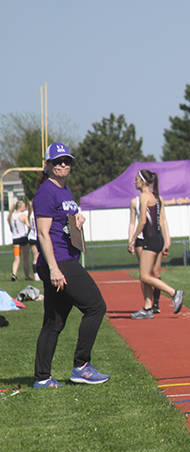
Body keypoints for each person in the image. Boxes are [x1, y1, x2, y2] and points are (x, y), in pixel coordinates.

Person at [32, 143, 109, 388]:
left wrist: (77, 221)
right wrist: (54, 269)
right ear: (48, 165)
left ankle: (42, 378)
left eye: (67, 161)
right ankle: (81, 366)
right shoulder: (46, 192)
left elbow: (62, 226)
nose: (63, 165)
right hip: (59, 262)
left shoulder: (65, 191)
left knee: (54, 323)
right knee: (96, 306)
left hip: (64, 259)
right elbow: (43, 234)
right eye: (57, 161)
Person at [126, 169, 184, 319]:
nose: (135, 181)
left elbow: (143, 221)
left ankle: (174, 293)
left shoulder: (144, 196)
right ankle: (148, 309)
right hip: (157, 239)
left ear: (143, 181)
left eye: (137, 179)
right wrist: (166, 240)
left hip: (150, 240)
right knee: (147, 275)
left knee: (145, 276)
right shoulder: (155, 197)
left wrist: (132, 238)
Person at [8, 200, 32, 281]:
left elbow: (11, 229)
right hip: (23, 238)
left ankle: (14, 274)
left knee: (17, 258)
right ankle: (27, 276)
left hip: (15, 239)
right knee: (26, 258)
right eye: (24, 206)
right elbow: (29, 226)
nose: (25, 208)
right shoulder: (23, 215)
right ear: (20, 207)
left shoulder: (11, 216)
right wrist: (28, 233)